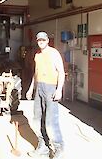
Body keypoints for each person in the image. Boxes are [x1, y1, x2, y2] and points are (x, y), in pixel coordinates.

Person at [26, 31, 65, 159]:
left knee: (51, 120)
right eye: (39, 40)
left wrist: (59, 90)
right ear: (37, 41)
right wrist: (31, 89)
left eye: (43, 40)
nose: (41, 42)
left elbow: (61, 72)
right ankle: (42, 146)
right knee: (37, 119)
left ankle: (58, 148)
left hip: (50, 88)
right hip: (39, 88)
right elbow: (35, 74)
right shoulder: (37, 55)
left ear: (47, 41)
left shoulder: (54, 53)